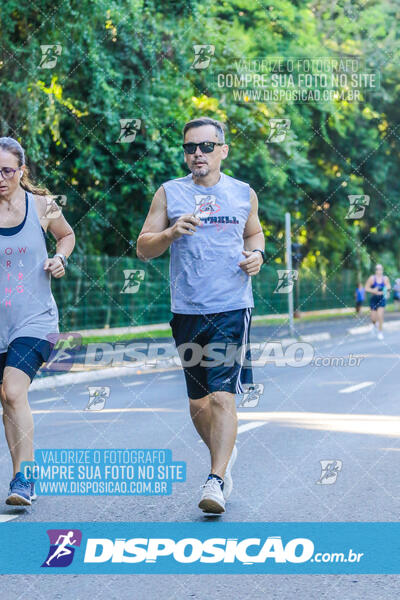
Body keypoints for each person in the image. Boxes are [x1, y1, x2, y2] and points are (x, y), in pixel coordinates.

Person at [137, 116, 265, 514]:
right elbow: (144, 247)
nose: (197, 154)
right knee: (198, 405)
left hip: (231, 306)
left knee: (223, 395)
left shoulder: (244, 193)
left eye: (206, 147)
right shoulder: (169, 193)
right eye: (190, 148)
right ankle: (224, 459)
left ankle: (214, 479)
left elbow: (254, 233)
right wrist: (171, 233)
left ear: (222, 150)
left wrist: (257, 255)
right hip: (187, 310)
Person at [0, 137, 75, 505]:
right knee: (7, 401)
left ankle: (23, 480)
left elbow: (66, 235)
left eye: (7, 170)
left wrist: (60, 258)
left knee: (13, 391)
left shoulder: (42, 206)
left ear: (21, 171)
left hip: (34, 318)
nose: (0, 178)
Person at [365, 264, 391, 340]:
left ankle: (380, 332)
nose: (379, 271)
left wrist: (386, 291)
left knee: (380, 315)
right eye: (377, 269)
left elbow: (388, 287)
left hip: (382, 299)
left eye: (380, 269)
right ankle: (374, 324)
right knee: (373, 318)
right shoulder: (372, 278)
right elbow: (366, 288)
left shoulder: (385, 278)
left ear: (382, 270)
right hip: (374, 299)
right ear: (375, 270)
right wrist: (373, 290)